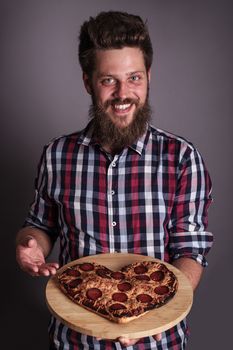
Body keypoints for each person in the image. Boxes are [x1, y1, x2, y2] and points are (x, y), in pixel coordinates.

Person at [16, 11, 213, 350]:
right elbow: (39, 227)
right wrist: (30, 245)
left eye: (134, 78)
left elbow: (191, 252)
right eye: (109, 80)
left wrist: (150, 318)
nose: (124, 93)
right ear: (88, 82)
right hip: (74, 342)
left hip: (156, 343)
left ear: (149, 76)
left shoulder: (181, 158)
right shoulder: (57, 155)